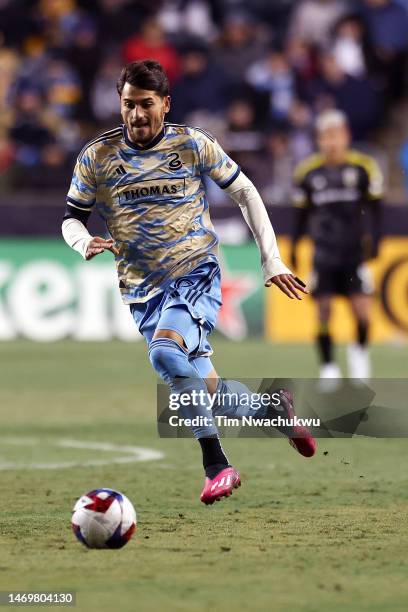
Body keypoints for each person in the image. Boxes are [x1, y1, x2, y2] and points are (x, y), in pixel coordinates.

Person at [62, 60, 315, 506]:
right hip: (142, 292)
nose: (136, 115)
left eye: (145, 104)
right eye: (128, 105)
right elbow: (72, 218)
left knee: (165, 352)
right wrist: (83, 242)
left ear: (165, 103)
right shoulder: (97, 156)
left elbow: (245, 192)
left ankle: (217, 464)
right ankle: (272, 410)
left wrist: (271, 259)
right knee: (205, 389)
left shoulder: (192, 144)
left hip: (195, 272)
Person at [290, 109, 383, 380]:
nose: (331, 142)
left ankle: (359, 353)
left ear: (346, 136)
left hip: (355, 252)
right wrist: (295, 247)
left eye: (335, 136)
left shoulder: (364, 168)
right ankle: (328, 367)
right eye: (325, 137)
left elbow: (376, 209)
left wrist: (376, 240)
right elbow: (301, 215)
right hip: (324, 252)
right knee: (323, 311)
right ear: (319, 140)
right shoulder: (308, 173)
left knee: (363, 311)